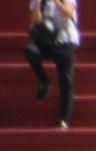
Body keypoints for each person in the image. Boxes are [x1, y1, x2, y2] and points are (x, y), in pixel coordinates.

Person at [25, 0, 79, 128]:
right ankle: (45, 82)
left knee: (65, 78)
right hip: (47, 39)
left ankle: (64, 120)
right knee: (31, 51)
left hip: (66, 39)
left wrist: (57, 2)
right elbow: (35, 21)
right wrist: (38, 4)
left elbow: (68, 13)